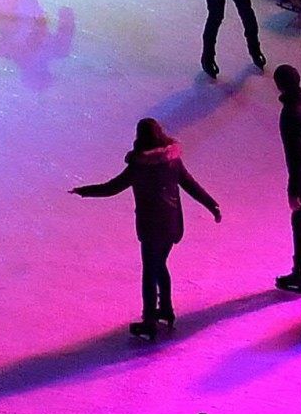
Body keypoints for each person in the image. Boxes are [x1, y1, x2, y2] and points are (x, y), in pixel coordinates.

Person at [75, 118, 222, 342]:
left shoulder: (139, 166)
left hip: (151, 227)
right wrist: (212, 204)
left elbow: (111, 188)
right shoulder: (172, 160)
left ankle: (150, 321)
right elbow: (191, 185)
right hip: (172, 224)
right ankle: (165, 309)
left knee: (150, 271)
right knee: (159, 265)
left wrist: (84, 191)